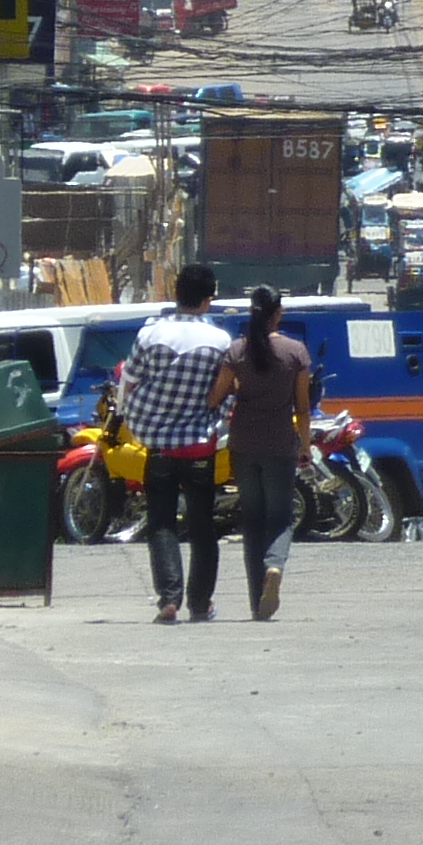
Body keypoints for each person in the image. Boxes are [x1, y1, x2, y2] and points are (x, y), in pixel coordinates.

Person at [119, 264, 237, 622]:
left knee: (162, 524)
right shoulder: (221, 341)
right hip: (201, 447)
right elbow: (227, 393)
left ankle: (169, 599)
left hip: (160, 449)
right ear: (208, 299)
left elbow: (130, 380)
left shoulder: (151, 334)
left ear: (176, 292)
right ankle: (200, 604)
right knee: (203, 528)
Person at [211, 283, 319, 622]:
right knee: (280, 517)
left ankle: (256, 600)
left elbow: (215, 397)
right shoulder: (295, 352)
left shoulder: (238, 350)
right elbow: (302, 407)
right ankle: (274, 567)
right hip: (279, 444)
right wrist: (305, 444)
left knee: (252, 520)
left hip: (243, 443)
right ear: (279, 314)